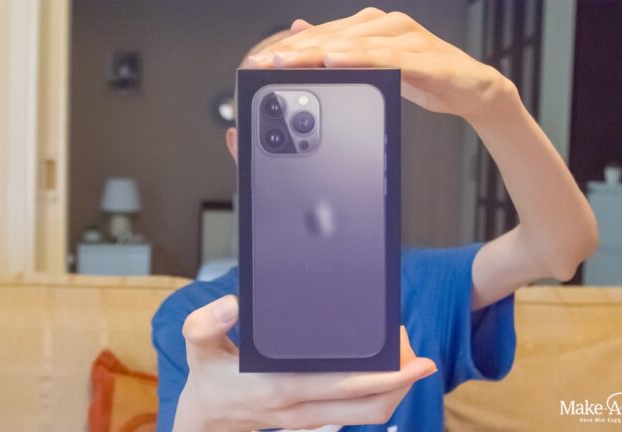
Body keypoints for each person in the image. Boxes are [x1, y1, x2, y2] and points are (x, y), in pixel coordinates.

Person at [152, 8, 598, 432]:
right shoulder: (195, 322)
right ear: (238, 147)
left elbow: (558, 251)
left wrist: (494, 103)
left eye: (336, 112)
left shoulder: (422, 285)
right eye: (275, 111)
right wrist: (200, 420)